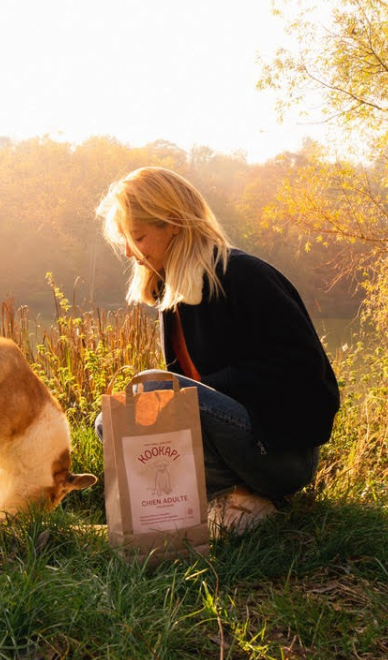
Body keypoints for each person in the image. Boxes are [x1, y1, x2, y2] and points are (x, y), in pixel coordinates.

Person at [94, 167, 340, 535]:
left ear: (174, 223)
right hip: (234, 445)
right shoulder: (171, 292)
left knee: (157, 393)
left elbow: (307, 372)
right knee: (114, 419)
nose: (129, 252)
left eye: (138, 237)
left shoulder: (242, 275)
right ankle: (223, 504)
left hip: (280, 452)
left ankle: (242, 503)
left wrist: (207, 389)